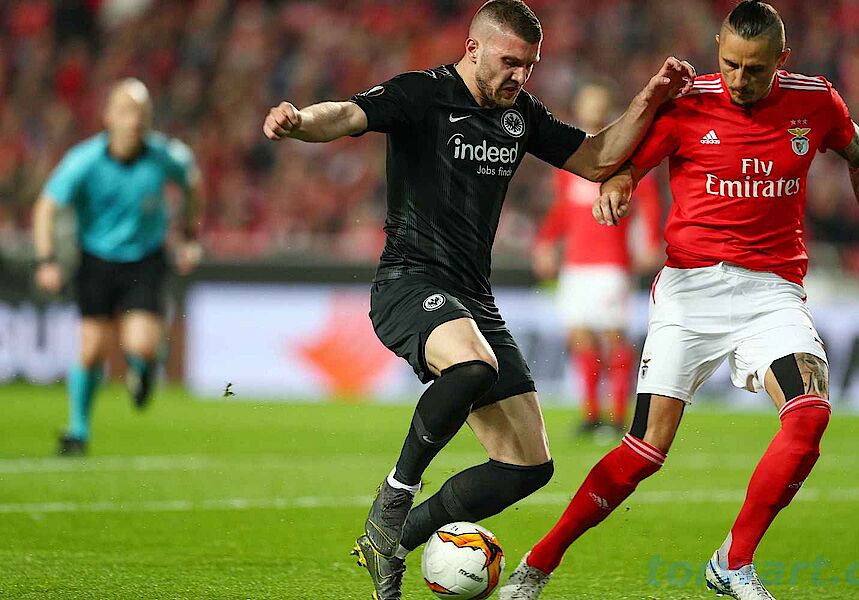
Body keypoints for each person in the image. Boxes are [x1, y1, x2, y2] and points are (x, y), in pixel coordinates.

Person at [263, 1, 694, 597]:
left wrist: (649, 97)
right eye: (510, 62)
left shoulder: (520, 114)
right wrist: (299, 121)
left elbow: (598, 158)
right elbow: (346, 113)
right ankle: (394, 496)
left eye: (530, 65)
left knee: (528, 466)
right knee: (472, 366)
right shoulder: (423, 93)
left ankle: (392, 541)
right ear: (473, 48)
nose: (521, 75)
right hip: (409, 283)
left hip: (473, 298)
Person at [499, 2, 859, 599]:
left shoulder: (816, 101)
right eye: (731, 64)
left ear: (782, 60)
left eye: (755, 69)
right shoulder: (689, 103)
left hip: (772, 291)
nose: (740, 79)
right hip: (690, 290)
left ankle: (734, 562)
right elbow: (626, 167)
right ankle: (539, 561)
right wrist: (618, 187)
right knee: (643, 452)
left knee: (810, 414)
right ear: (718, 48)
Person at [33, 78, 202, 457]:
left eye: (141, 113)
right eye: (126, 112)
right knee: (92, 348)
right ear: (108, 116)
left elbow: (192, 183)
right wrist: (46, 260)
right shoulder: (84, 160)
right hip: (95, 259)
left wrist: (189, 235)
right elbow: (46, 207)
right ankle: (78, 431)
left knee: (141, 344)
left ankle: (143, 368)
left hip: (145, 258)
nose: (134, 121)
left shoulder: (166, 156)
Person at [532, 81, 663, 437]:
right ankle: (591, 414)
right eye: (587, 104)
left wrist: (650, 240)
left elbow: (647, 197)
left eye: (598, 104)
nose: (592, 110)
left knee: (613, 335)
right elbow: (563, 209)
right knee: (580, 336)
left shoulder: (623, 153)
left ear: (608, 109)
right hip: (576, 265)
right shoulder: (569, 159)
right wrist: (546, 241)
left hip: (611, 263)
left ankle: (619, 416)